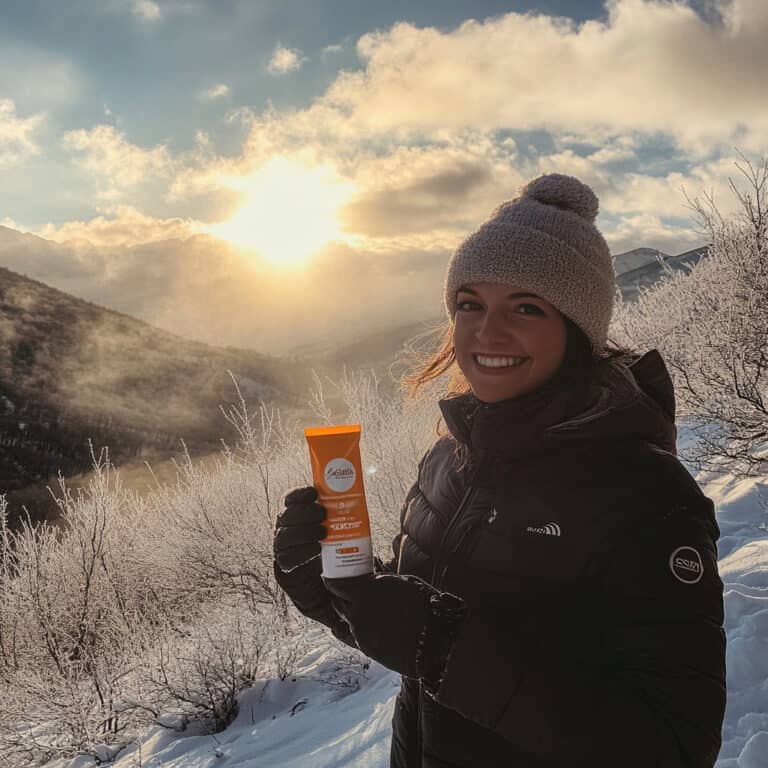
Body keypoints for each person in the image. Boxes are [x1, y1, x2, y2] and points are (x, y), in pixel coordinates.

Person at [273, 173, 727, 767]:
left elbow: (674, 744)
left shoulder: (644, 494)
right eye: (470, 304)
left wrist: (441, 649)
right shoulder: (448, 460)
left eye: (526, 307)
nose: (488, 331)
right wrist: (330, 588)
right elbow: (415, 634)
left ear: (577, 329)